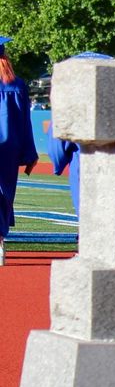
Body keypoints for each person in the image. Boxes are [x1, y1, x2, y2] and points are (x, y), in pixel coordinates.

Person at [47, 52, 112, 217]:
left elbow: (57, 146)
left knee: (89, 220)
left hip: (84, 165)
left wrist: (58, 164)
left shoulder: (70, 103)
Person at [0, 37, 38, 267]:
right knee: (4, 195)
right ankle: (0, 240)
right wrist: (29, 152)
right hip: (10, 150)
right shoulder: (18, 85)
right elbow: (25, 122)